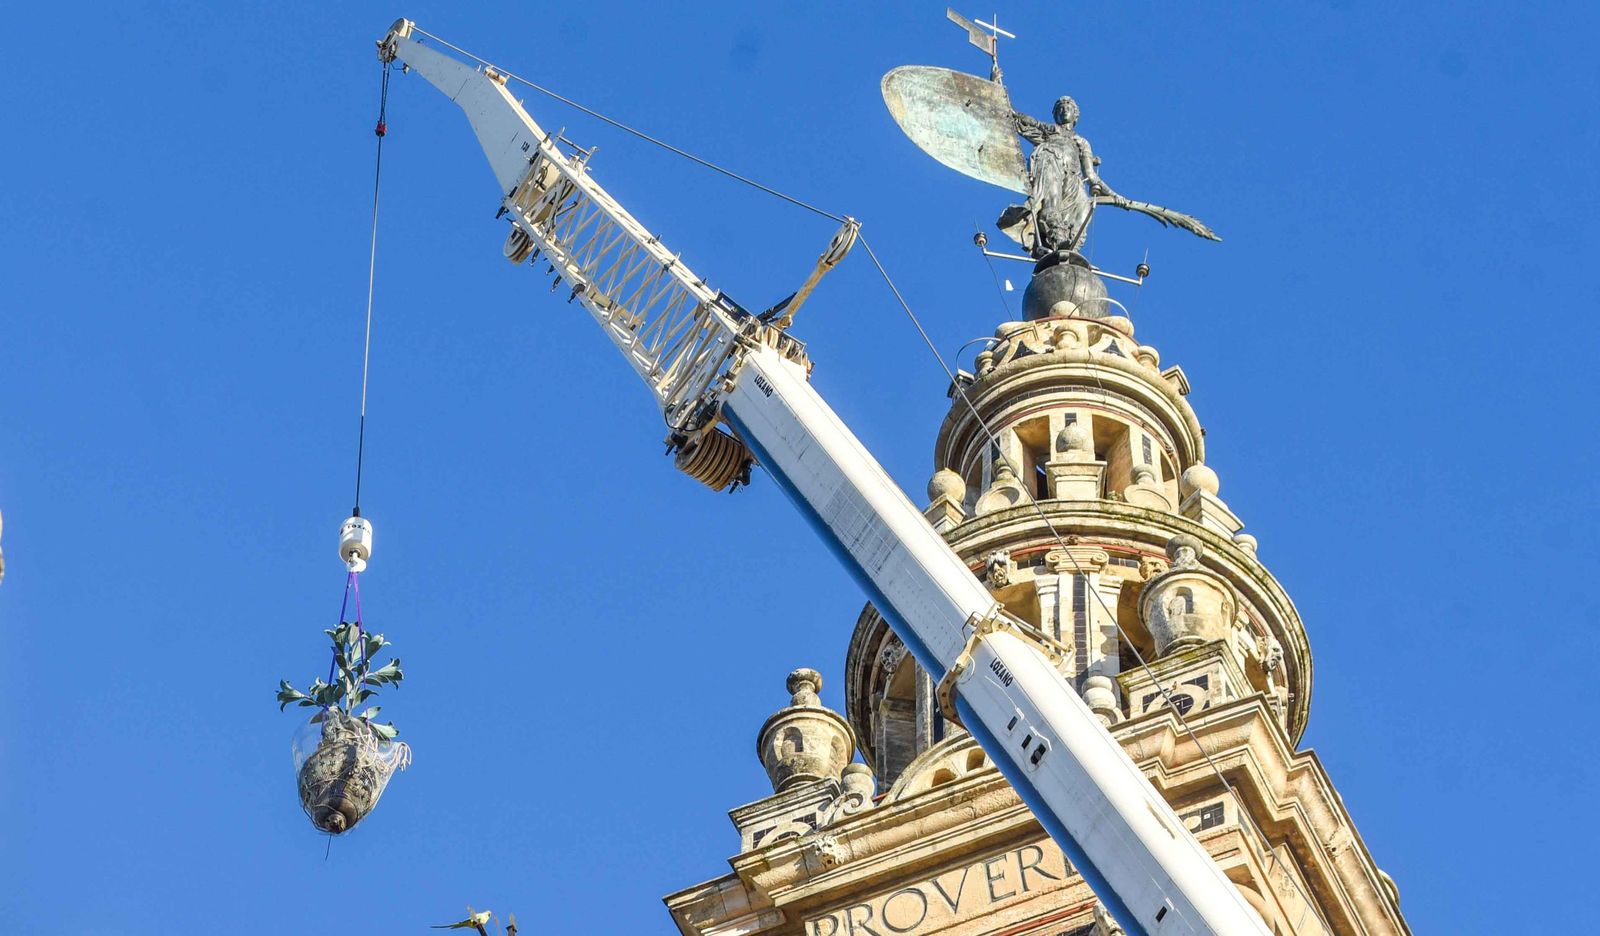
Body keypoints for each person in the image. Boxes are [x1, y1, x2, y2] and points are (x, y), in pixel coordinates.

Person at [999, 96, 1129, 258]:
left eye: (1068, 107)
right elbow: (1023, 121)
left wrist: (1115, 195)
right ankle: (1056, 240)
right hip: (1051, 162)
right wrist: (1001, 94)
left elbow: (1091, 175)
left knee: (1084, 210)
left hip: (1073, 180)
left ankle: (1070, 249)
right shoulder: (1050, 131)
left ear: (1075, 115)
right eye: (1060, 108)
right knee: (1050, 204)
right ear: (1055, 115)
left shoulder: (1081, 142)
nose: (1064, 110)